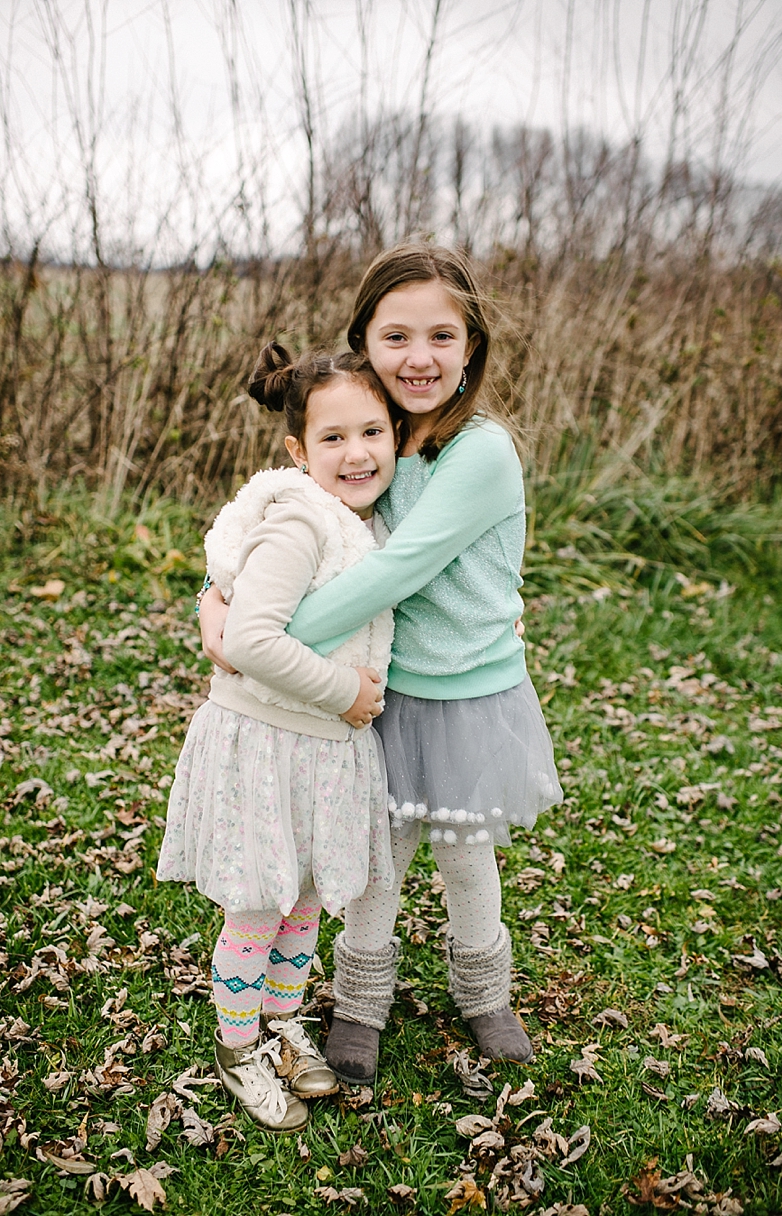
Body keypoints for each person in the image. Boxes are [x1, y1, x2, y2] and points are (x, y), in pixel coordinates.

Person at [200, 244, 564, 1085]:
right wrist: (218, 601)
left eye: (442, 335)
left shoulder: (480, 451)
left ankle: (485, 992)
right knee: (374, 856)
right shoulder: (372, 436)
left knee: (467, 853)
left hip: (469, 694)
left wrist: (265, 640)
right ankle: (361, 1003)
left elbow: (395, 572)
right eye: (396, 336)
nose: (420, 356)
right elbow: (286, 534)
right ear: (364, 339)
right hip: (384, 695)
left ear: (471, 345)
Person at [157, 344, 399, 1132]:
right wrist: (348, 695)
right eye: (333, 438)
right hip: (269, 740)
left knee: (301, 904)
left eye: (373, 431)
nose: (356, 452)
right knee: (259, 907)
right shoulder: (302, 520)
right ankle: (238, 1047)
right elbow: (251, 641)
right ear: (298, 451)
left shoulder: (359, 523)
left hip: (321, 752)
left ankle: (285, 1023)